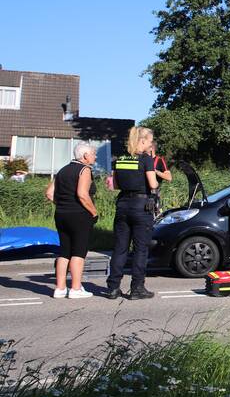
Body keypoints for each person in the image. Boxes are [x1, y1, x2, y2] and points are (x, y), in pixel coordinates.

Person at [103, 126, 159, 300]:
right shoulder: (146, 159)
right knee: (140, 249)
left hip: (123, 204)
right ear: (142, 141)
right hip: (141, 206)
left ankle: (113, 287)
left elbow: (116, 185)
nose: (151, 145)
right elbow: (153, 184)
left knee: (120, 248)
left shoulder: (119, 159)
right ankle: (137, 288)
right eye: (150, 141)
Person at [44, 143, 99, 299]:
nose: (95, 156)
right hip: (79, 215)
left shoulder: (63, 170)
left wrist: (62, 204)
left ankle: (60, 288)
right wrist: (94, 212)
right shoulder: (84, 170)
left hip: (61, 214)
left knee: (64, 251)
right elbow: (82, 194)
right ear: (85, 156)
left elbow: (49, 193)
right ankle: (76, 288)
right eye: (93, 153)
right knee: (79, 251)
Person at [148, 140, 172, 215]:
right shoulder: (142, 159)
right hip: (142, 193)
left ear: (152, 148)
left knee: (157, 215)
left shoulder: (160, 160)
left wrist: (156, 172)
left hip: (154, 193)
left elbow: (169, 177)